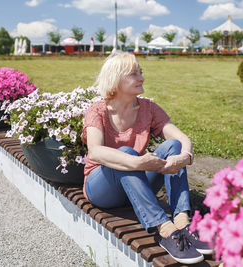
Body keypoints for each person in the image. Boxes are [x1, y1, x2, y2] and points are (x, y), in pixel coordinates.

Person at [81, 51, 211, 264]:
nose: (141, 78)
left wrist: (184, 157)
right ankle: (166, 231)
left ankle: (182, 221)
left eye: (140, 72)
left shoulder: (148, 108)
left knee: (173, 146)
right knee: (126, 153)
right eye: (134, 74)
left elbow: (180, 138)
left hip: (136, 183)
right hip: (102, 188)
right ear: (115, 78)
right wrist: (136, 162)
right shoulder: (98, 110)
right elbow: (95, 151)